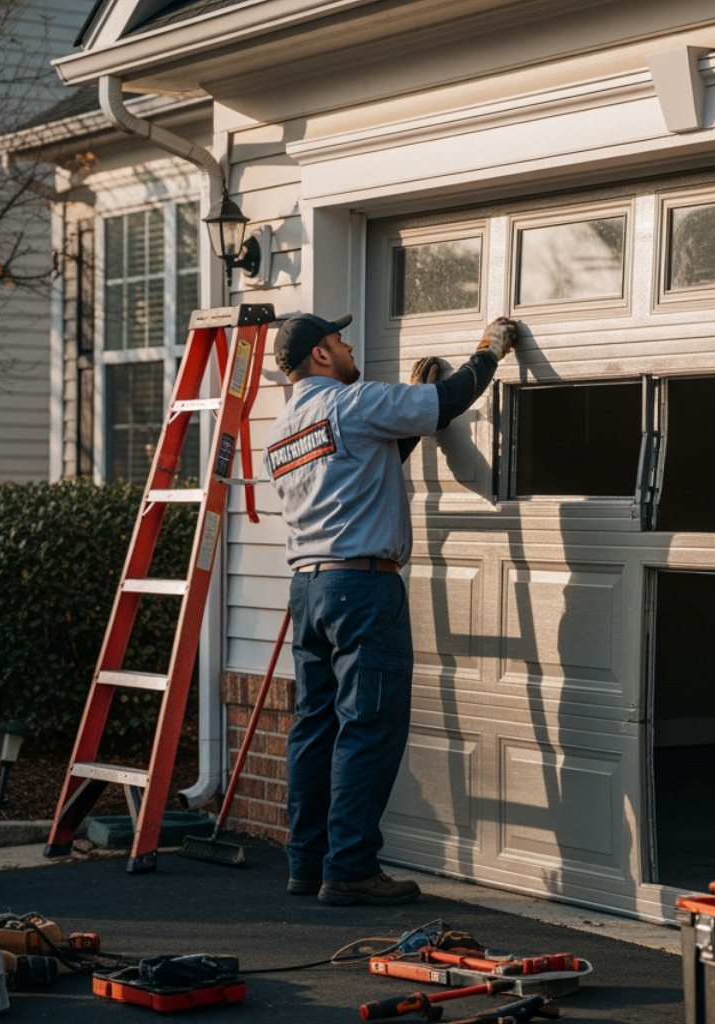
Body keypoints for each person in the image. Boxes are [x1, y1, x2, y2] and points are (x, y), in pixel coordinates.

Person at [264, 311, 518, 905]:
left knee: (314, 726)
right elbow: (450, 399)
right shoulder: (355, 403)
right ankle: (350, 868)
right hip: (362, 588)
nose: (350, 345)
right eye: (339, 339)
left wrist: (407, 408)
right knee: (368, 725)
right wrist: (489, 350)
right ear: (322, 356)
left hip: (309, 589)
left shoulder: (283, 428)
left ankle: (306, 863)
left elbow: (362, 470)